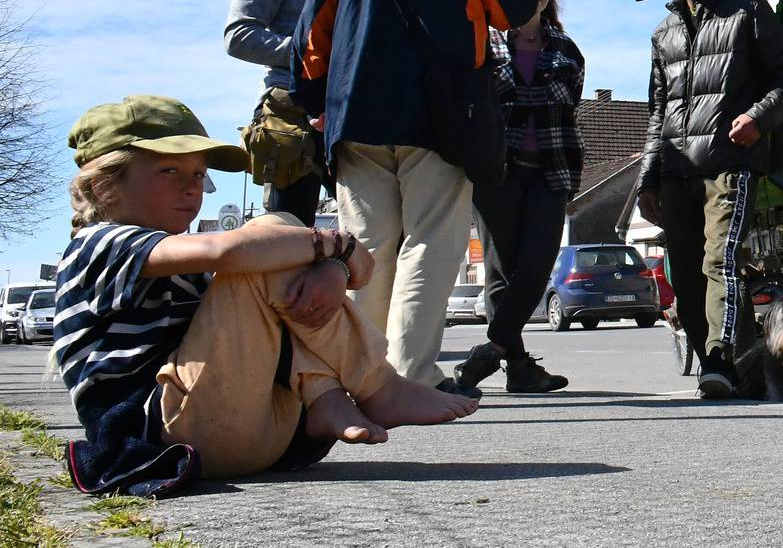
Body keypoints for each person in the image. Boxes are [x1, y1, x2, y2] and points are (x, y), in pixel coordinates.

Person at [54, 95, 478, 496]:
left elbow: (361, 271)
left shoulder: (193, 269)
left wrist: (331, 268)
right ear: (104, 187)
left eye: (200, 174)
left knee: (274, 231)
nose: (192, 188)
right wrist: (332, 246)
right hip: (166, 432)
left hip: (256, 431)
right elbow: (226, 251)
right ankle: (375, 385)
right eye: (169, 172)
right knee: (263, 239)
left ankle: (324, 399)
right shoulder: (98, 244)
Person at [294, 0, 540, 398]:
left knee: (366, 246)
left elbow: (312, 31)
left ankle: (358, 371)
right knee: (431, 239)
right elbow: (516, 9)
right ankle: (410, 375)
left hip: (354, 110)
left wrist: (314, 104)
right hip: (442, 111)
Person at [637, 0, 783, 399]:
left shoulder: (747, 11)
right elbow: (658, 111)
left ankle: (719, 358)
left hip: (730, 161)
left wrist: (758, 116)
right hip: (674, 169)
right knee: (683, 271)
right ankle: (734, 365)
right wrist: (647, 178)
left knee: (720, 261)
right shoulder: (662, 32)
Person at [454, 0, 583, 394]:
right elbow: (478, 102)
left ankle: (489, 351)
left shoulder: (567, 47)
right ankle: (520, 369)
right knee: (501, 272)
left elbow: (565, 107)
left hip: (553, 169)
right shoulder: (482, 39)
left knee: (535, 267)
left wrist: (515, 94)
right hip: (497, 171)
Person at [225, 0, 361, 225]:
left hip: (347, 110)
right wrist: (310, 55)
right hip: (290, 111)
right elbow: (238, 35)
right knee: (289, 229)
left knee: (369, 231)